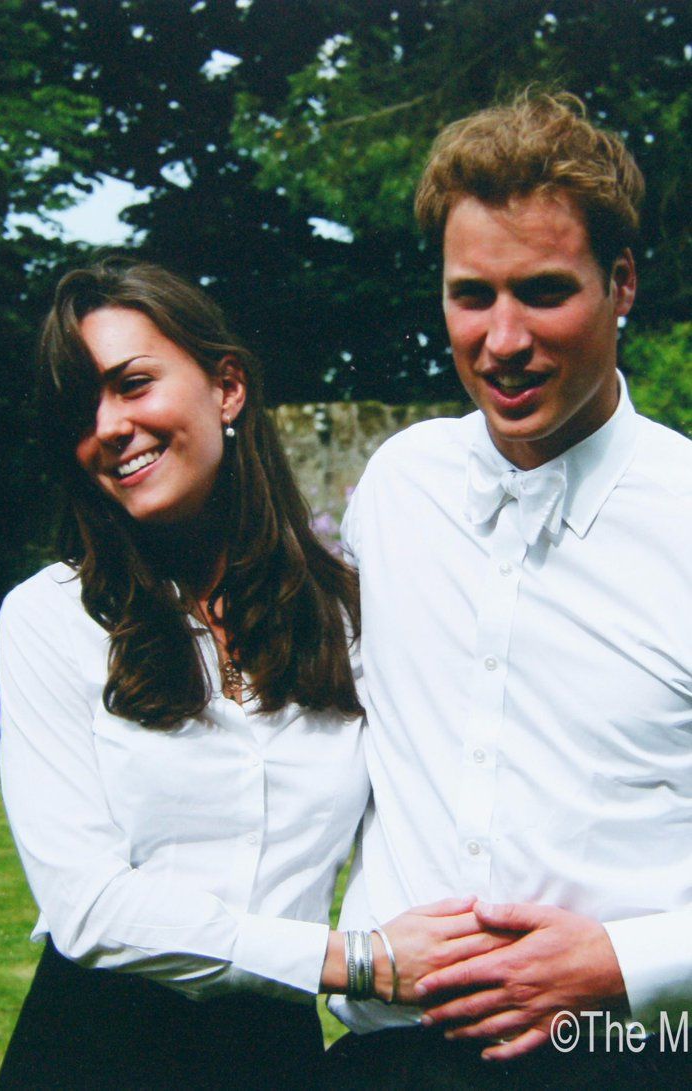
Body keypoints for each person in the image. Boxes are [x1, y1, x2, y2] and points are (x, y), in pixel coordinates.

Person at [0, 258, 502, 1090]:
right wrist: (352, 960)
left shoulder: (350, 620)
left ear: (227, 387)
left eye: (131, 384)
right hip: (91, 1051)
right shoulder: (53, 618)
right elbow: (86, 906)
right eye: (80, 408)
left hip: (273, 1060)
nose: (109, 426)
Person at [323, 90, 692, 1088]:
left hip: (626, 1049)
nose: (501, 338)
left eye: (540, 289)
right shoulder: (399, 486)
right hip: (389, 1052)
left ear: (619, 283)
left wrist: (623, 960)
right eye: (471, 294)